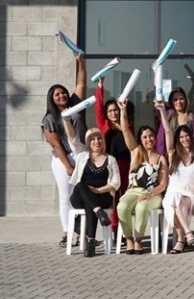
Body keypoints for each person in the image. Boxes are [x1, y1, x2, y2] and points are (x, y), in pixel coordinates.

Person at [42, 53, 87, 248]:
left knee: (83, 194)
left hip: (82, 155)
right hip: (63, 159)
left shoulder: (75, 106)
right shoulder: (49, 119)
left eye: (63, 92)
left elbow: (81, 84)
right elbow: (55, 144)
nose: (62, 95)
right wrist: (68, 165)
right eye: (57, 94)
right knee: (66, 195)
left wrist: (81, 63)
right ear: (52, 99)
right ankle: (67, 232)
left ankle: (83, 232)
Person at [62, 117, 120, 257]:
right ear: (88, 142)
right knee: (82, 185)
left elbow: (116, 183)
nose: (96, 141)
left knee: (91, 204)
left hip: (102, 195)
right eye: (92, 139)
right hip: (79, 196)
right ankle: (99, 214)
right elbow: (72, 139)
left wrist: (98, 190)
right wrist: (66, 120)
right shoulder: (82, 155)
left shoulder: (110, 160)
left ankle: (90, 242)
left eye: (99, 138)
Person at [116, 99, 168, 254]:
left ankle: (139, 239)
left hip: (153, 194)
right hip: (133, 191)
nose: (148, 139)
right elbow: (125, 130)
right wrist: (123, 110)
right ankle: (129, 238)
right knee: (122, 207)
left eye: (151, 136)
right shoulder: (136, 153)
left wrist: (149, 194)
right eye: (145, 137)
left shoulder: (160, 158)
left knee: (141, 207)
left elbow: (163, 183)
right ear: (141, 139)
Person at [162, 112, 194, 254]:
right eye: (181, 137)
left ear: (191, 137)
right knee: (175, 198)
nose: (184, 139)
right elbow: (167, 130)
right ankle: (187, 233)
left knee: (180, 201)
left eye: (186, 135)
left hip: (189, 194)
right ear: (178, 139)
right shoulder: (173, 155)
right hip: (172, 192)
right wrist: (162, 110)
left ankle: (181, 240)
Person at [94, 76, 131, 232]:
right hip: (111, 166)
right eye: (110, 111)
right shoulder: (104, 125)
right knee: (114, 198)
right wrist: (100, 87)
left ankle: (126, 230)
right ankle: (115, 230)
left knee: (126, 198)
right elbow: (98, 109)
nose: (113, 113)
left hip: (127, 164)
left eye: (115, 109)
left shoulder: (126, 124)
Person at [156, 87, 194, 156]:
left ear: (185, 100)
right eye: (175, 100)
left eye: (181, 99)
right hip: (173, 157)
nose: (178, 102)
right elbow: (158, 94)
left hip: (190, 157)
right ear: (171, 102)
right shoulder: (167, 115)